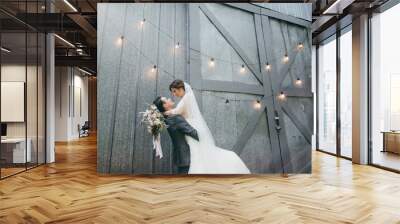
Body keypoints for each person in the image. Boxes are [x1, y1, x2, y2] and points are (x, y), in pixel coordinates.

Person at [164, 79, 250, 174]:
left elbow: (176, 111)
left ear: (180, 88)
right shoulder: (186, 98)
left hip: (190, 128)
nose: (173, 94)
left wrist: (165, 112)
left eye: (174, 91)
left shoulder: (187, 98)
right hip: (189, 128)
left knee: (197, 152)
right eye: (172, 92)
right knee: (197, 152)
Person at [153, 96, 199, 174]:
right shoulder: (175, 118)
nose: (169, 99)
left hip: (181, 157)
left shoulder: (167, 118)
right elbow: (193, 133)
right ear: (164, 105)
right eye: (166, 99)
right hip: (187, 157)